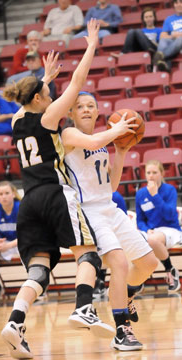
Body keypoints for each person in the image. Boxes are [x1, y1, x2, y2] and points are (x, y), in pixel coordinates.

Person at [1, 20, 116, 360]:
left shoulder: (16, 120)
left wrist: (44, 80)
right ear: (41, 100)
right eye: (49, 94)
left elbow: (27, 101)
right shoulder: (50, 117)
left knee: (40, 269)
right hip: (55, 194)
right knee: (88, 254)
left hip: (28, 201)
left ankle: (16, 321)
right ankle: (84, 307)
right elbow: (77, 84)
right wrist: (91, 46)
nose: (53, 96)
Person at [61, 91, 158, 350]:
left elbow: (112, 184)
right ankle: (121, 329)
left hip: (110, 207)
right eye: (79, 106)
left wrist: (121, 151)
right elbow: (90, 144)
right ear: (71, 113)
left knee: (149, 263)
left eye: (91, 105)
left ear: (97, 111)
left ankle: (125, 294)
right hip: (89, 212)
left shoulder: (102, 142)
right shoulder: (68, 136)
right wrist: (118, 130)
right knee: (118, 261)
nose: (85, 109)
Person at [135, 159, 182, 293]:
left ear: (161, 174)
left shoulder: (170, 190)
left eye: (154, 172)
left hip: (170, 229)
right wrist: (146, 229)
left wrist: (155, 195)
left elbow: (169, 215)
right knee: (132, 240)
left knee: (153, 240)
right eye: (148, 172)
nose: (151, 176)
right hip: (151, 231)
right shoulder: (140, 194)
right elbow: (140, 220)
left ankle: (171, 271)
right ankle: (138, 278)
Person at [93, 190, 127, 298]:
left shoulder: (116, 196)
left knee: (108, 246)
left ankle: (101, 281)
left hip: (114, 231)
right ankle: (97, 282)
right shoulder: (90, 197)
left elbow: (123, 217)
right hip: (98, 231)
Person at [153, 0, 182, 72]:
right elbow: (162, 35)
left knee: (180, 39)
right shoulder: (169, 19)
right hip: (173, 41)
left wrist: (179, 35)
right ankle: (166, 66)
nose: (179, 5)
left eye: (181, 2)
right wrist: (172, 36)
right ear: (174, 5)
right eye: (176, 3)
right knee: (163, 41)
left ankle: (159, 57)